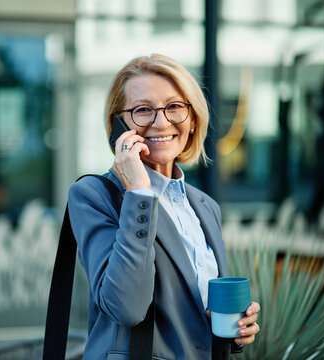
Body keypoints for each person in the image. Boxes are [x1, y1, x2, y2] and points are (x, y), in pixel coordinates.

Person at [68, 54, 261, 360]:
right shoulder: (94, 195)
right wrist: (139, 193)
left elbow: (197, 315)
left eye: (174, 107)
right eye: (142, 110)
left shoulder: (204, 206)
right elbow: (126, 307)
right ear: (119, 126)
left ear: (193, 118)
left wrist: (235, 330)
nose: (161, 122)